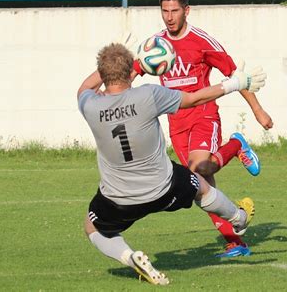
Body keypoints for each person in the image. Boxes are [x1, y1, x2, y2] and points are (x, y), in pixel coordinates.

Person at [78, 43, 265, 285]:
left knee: (92, 227)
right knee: (199, 185)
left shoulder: (90, 105)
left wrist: (120, 63)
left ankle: (129, 256)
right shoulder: (148, 95)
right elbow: (195, 98)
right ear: (130, 71)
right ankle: (238, 218)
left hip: (118, 198)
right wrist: (235, 83)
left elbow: (84, 87)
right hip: (164, 188)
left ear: (102, 75)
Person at [130, 0, 274, 257]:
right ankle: (236, 242)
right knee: (200, 185)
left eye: (174, 11)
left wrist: (258, 110)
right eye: (164, 11)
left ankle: (236, 144)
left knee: (201, 166)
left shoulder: (203, 41)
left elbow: (235, 75)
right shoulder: (156, 46)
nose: (169, 17)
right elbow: (131, 73)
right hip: (176, 121)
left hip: (203, 115)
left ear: (187, 11)